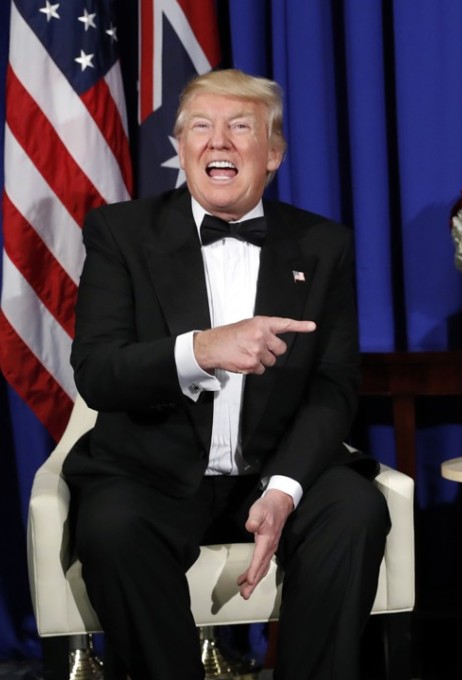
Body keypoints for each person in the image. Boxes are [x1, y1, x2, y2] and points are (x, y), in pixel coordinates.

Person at [63, 68, 390, 680]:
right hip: (151, 471)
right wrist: (203, 349)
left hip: (274, 465)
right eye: (201, 127)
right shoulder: (121, 233)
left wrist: (284, 490)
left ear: (273, 154)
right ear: (180, 147)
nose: (218, 141)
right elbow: (99, 373)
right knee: (113, 529)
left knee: (355, 511)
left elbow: (333, 384)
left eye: (241, 127)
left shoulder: (323, 244)